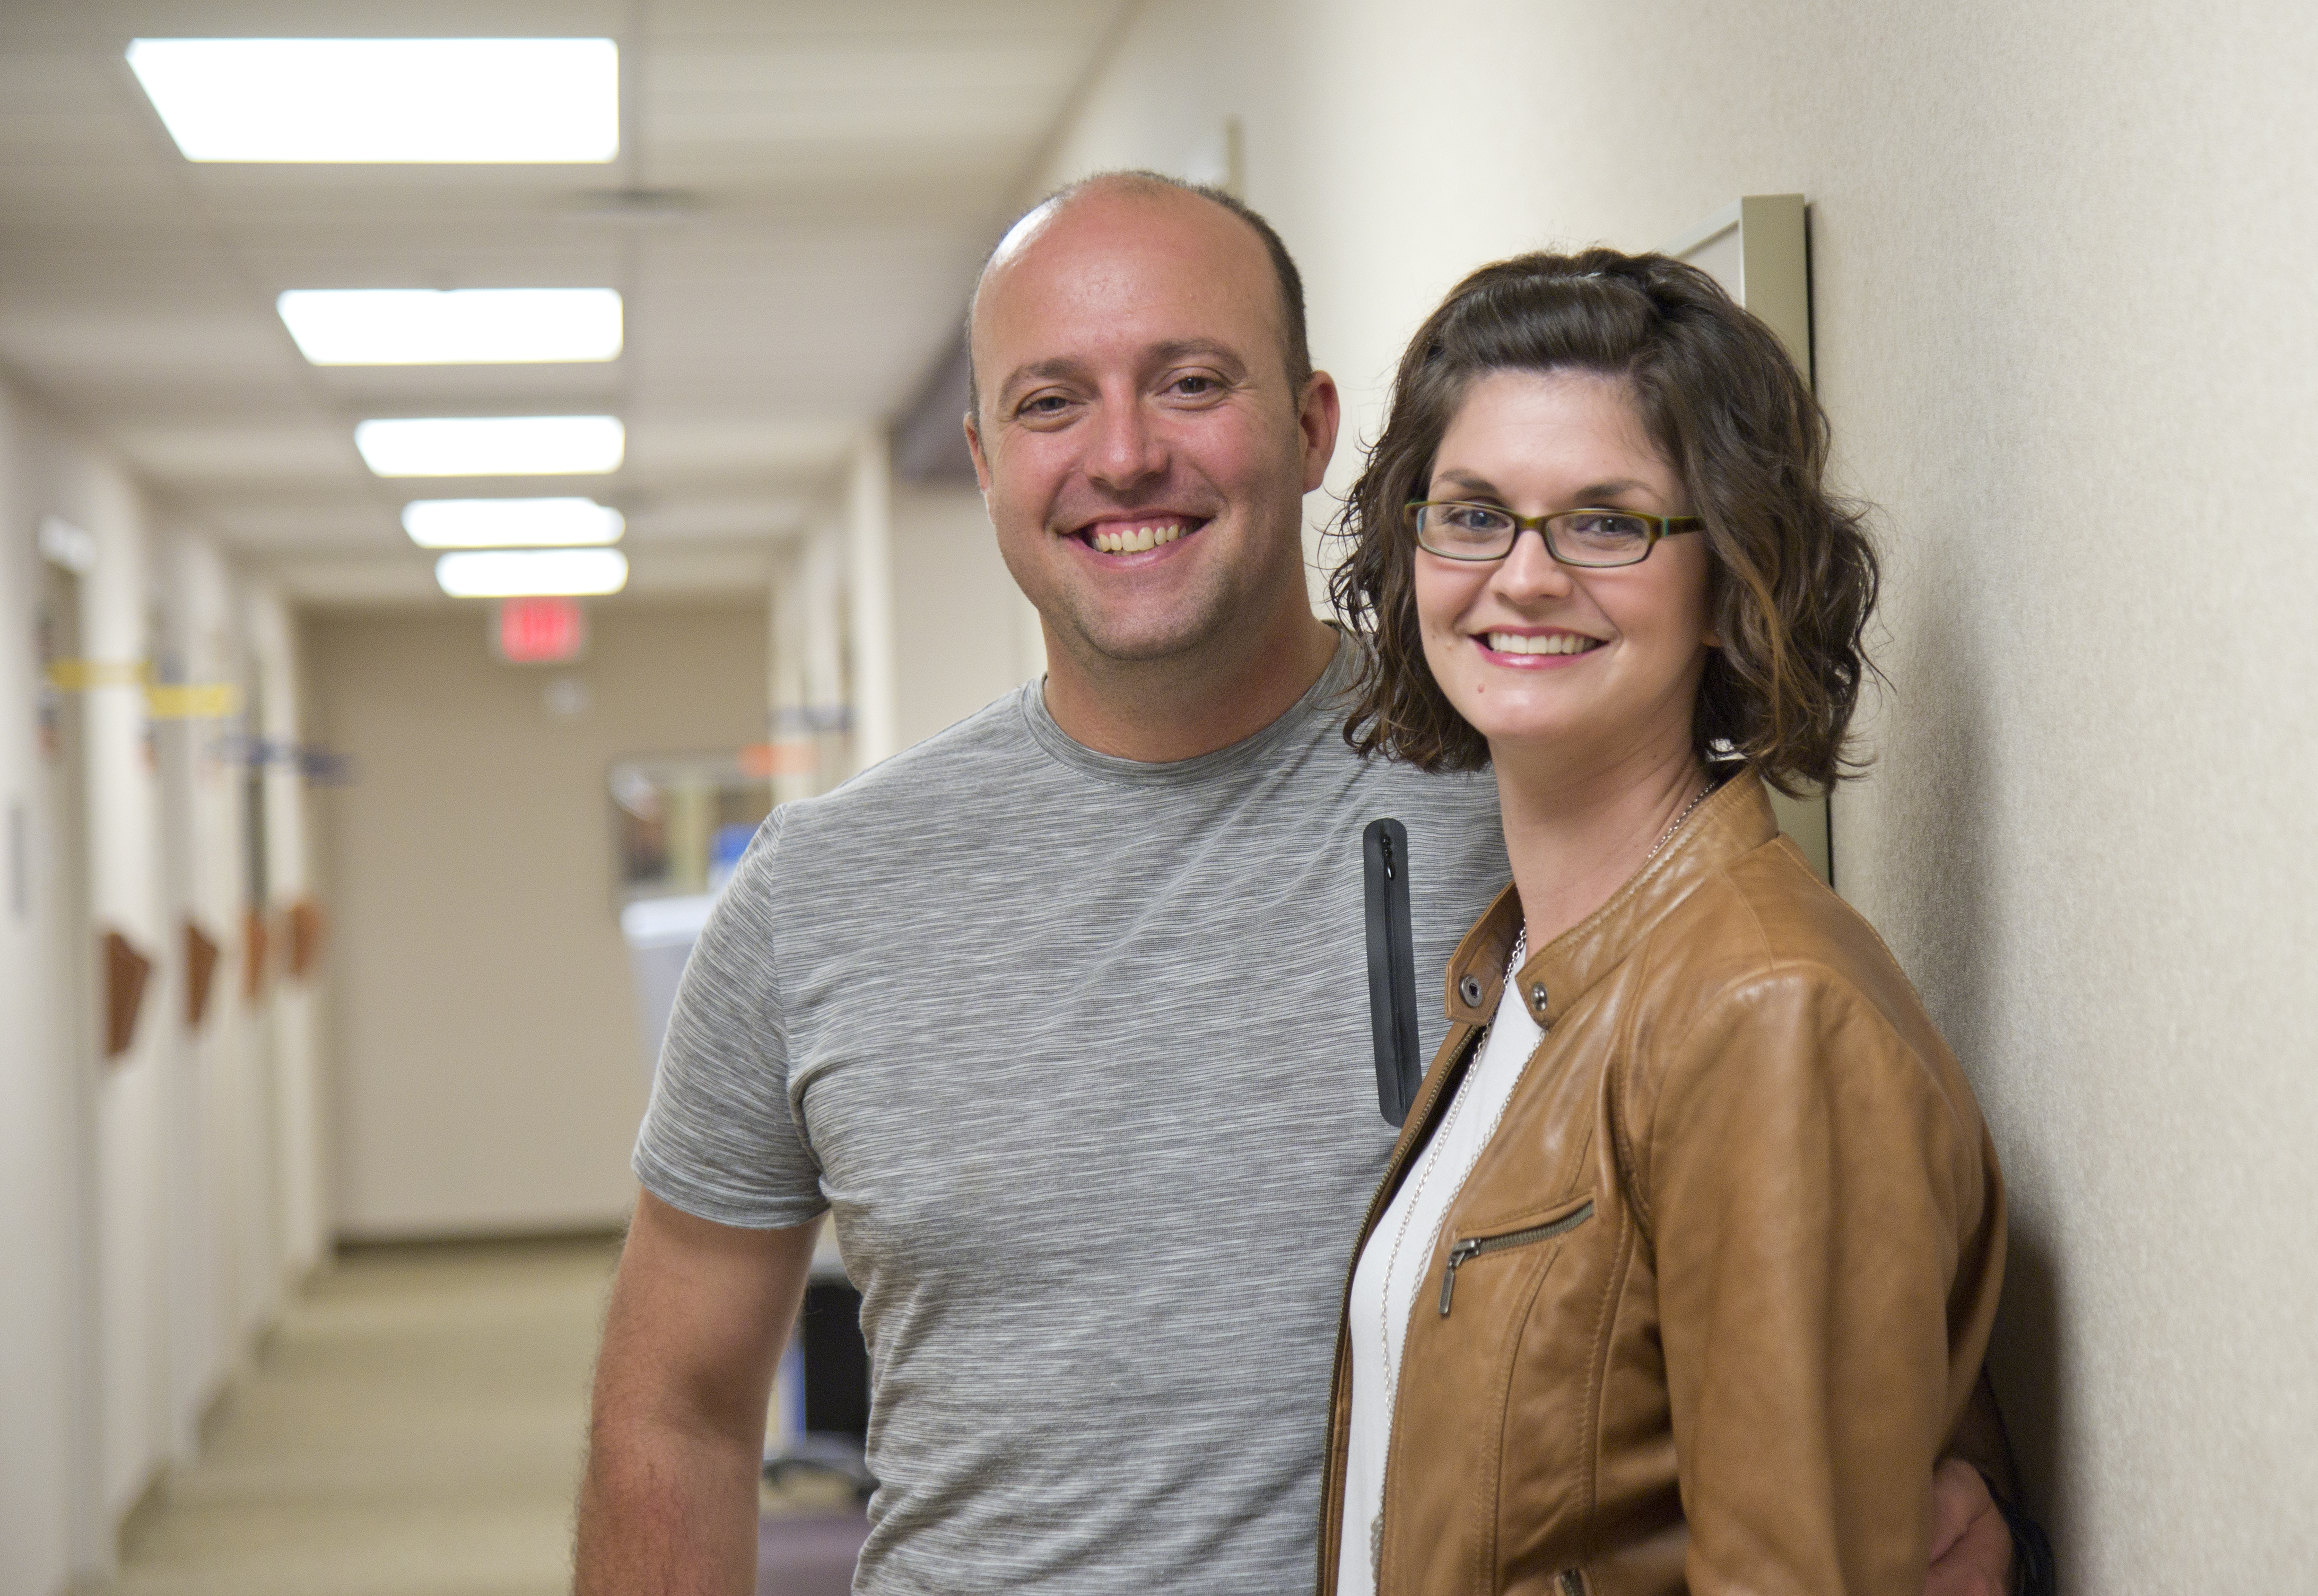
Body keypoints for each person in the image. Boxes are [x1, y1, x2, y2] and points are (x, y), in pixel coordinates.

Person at [573, 173, 2026, 1595]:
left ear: (1315, 425)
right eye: (1051, 400)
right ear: (983, 457)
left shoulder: (1560, 810)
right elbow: (676, 1412)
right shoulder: (821, 894)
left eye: (1192, 381)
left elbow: (1813, 1243)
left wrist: (1944, 1492)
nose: (1125, 454)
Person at [1320, 248, 2011, 1596]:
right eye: (1471, 513)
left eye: (1606, 521)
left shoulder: (1763, 1016)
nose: (1521, 577)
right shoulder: (1518, 971)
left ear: (1729, 573)